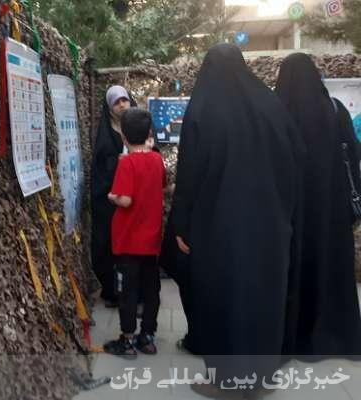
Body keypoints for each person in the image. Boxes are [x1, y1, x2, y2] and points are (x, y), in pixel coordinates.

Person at [164, 44, 305, 397]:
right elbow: (296, 161)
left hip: (219, 227)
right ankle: (260, 378)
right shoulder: (271, 105)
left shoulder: (204, 108)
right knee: (263, 297)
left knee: (221, 297)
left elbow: (190, 173)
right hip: (270, 225)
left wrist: (181, 224)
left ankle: (226, 381)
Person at [276, 53, 361, 360]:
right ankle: (337, 337)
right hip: (332, 210)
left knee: (293, 269)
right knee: (332, 266)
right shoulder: (336, 110)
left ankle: (294, 337)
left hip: (292, 211)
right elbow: (353, 155)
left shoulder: (278, 113)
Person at [102, 108, 166, 359]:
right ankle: (147, 336)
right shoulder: (157, 160)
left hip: (128, 241)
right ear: (149, 133)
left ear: (124, 137)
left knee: (127, 292)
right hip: (151, 241)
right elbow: (162, 185)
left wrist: (112, 196)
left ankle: (127, 339)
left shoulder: (126, 163)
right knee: (151, 290)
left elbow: (126, 200)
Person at [90, 86, 136, 307]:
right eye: (116, 102)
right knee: (108, 244)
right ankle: (112, 291)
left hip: (134, 199)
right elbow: (101, 165)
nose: (122, 105)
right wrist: (116, 163)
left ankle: (136, 292)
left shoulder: (138, 125)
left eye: (124, 100)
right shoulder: (106, 132)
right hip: (110, 199)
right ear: (109, 107)